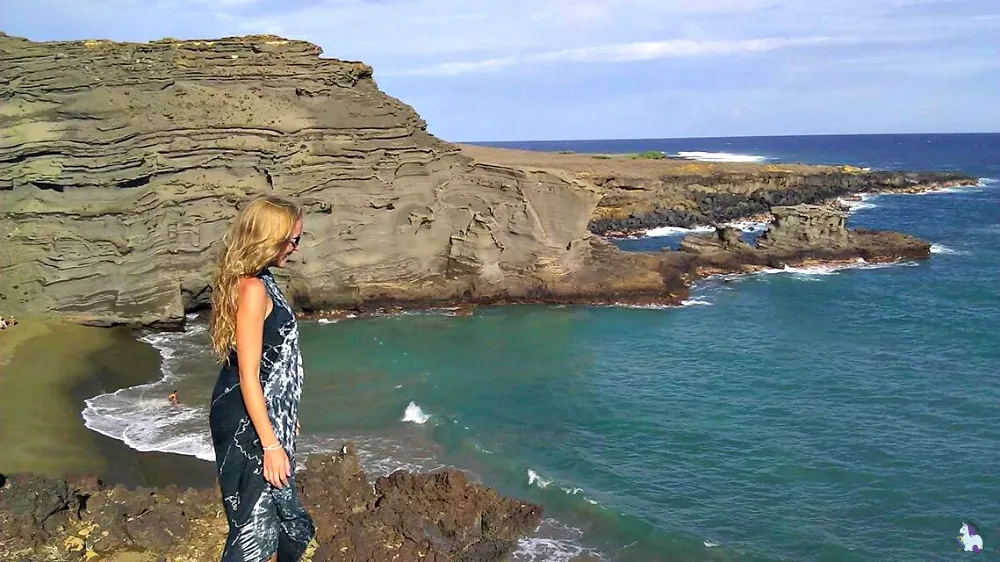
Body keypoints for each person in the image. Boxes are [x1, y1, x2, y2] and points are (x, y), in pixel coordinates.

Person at [207, 194, 314, 562]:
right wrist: (270, 444)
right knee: (255, 527)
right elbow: (249, 376)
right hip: (246, 421)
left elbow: (275, 360)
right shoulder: (253, 289)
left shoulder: (263, 278)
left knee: (274, 520)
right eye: (292, 239)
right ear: (271, 238)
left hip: (263, 413)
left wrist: (286, 412)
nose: (295, 248)